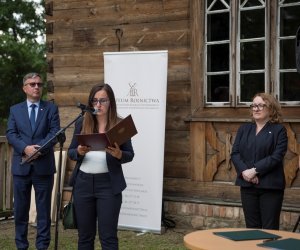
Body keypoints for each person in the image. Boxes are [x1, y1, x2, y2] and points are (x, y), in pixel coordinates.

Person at [68, 83, 135, 250]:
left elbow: (129, 154)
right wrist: (79, 151)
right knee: (84, 236)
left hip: (108, 185)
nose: (98, 105)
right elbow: (70, 152)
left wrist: (119, 154)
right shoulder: (82, 123)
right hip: (83, 184)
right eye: (95, 101)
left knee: (108, 237)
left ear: (110, 102)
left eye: (103, 100)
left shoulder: (120, 125)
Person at [6, 72, 60, 249]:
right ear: (24, 88)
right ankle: (21, 245)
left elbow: (55, 133)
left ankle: (42, 246)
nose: (37, 87)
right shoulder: (15, 110)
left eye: (39, 84)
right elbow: (11, 134)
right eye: (32, 84)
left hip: (43, 167)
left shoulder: (51, 108)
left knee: (44, 212)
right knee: (20, 211)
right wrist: (25, 149)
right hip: (21, 168)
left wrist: (38, 149)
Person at [231, 93, 288, 229]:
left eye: (261, 105)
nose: (256, 109)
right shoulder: (244, 129)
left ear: (271, 108)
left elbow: (277, 156)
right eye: (254, 105)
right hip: (247, 185)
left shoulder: (279, 130)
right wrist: (246, 172)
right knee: (251, 228)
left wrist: (255, 170)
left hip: (270, 186)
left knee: (269, 229)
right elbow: (235, 153)